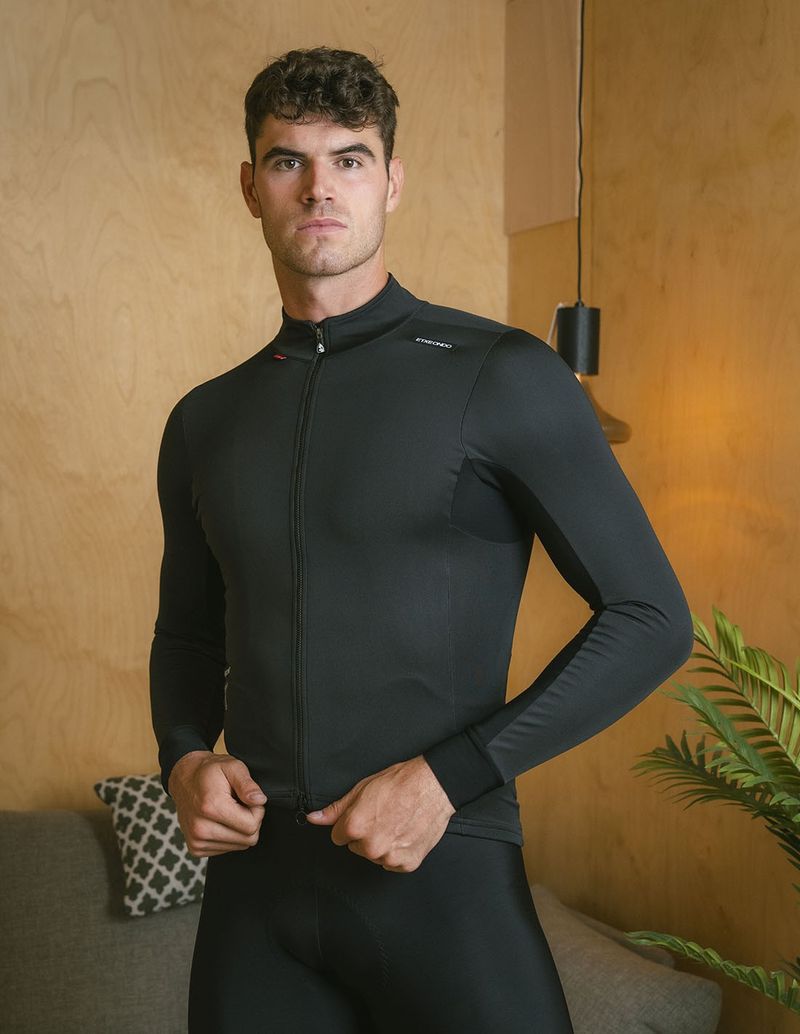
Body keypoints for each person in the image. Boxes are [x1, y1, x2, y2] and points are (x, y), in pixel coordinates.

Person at [149, 45, 694, 1034]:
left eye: (350, 159)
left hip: (444, 881)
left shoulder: (501, 374)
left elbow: (650, 616)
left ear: (391, 182)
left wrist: (450, 777)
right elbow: (187, 634)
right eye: (288, 160)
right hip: (257, 905)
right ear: (251, 187)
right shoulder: (205, 420)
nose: (320, 188)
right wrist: (183, 756)